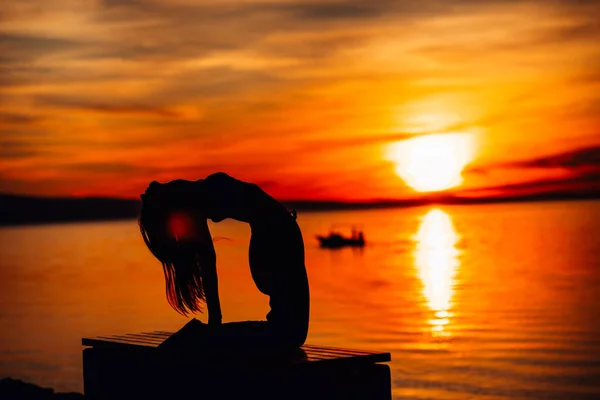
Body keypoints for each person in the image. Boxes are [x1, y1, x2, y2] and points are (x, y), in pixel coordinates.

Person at [138, 172, 310, 352]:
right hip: (281, 226)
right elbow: (206, 256)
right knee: (289, 330)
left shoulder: (185, 198)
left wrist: (214, 324)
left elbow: (207, 258)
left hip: (279, 230)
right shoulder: (185, 193)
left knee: (288, 332)